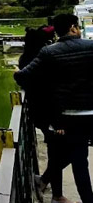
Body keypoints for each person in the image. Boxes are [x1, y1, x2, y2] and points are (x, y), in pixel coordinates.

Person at [16, 14, 93, 203]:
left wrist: (16, 73)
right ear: (74, 28)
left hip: (68, 117)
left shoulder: (49, 52)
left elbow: (23, 77)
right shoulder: (91, 47)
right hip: (91, 113)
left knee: (79, 161)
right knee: (79, 158)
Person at [19, 25, 65, 201]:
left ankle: (52, 188)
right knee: (63, 152)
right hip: (51, 113)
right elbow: (50, 90)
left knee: (58, 151)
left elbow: (22, 78)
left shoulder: (26, 59)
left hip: (40, 113)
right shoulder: (43, 60)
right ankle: (55, 193)